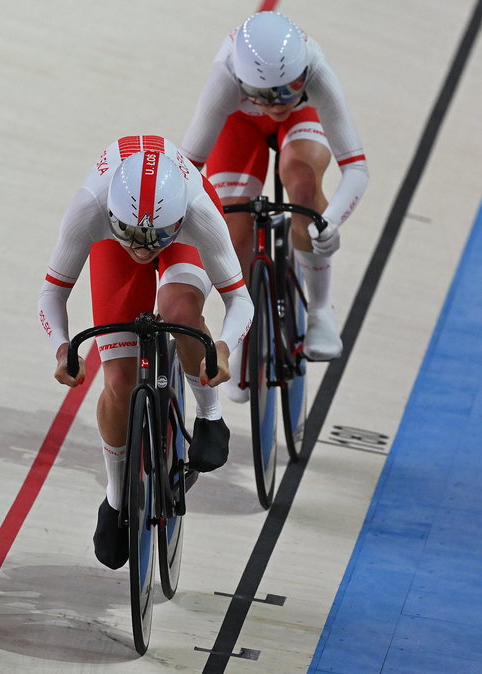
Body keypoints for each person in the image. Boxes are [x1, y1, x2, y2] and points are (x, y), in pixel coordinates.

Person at [38, 135, 253, 569]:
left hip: (183, 235)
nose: (142, 247)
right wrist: (62, 350)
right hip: (122, 237)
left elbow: (240, 300)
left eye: (153, 239)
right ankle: (116, 499)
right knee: (118, 380)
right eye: (132, 236)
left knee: (180, 311)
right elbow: (51, 295)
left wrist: (225, 349)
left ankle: (210, 417)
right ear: (111, 216)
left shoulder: (198, 210)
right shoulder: (91, 207)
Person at [180, 10, 368, 401]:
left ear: (303, 75)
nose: (277, 103)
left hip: (305, 119)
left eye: (288, 89)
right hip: (240, 125)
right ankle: (243, 333)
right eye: (265, 96)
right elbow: (188, 166)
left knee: (302, 184)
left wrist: (329, 221)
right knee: (234, 228)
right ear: (243, 83)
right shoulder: (225, 78)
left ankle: (319, 311)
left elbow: (356, 168)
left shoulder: (316, 71)